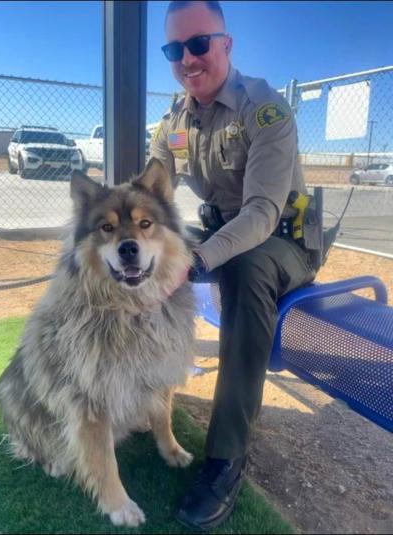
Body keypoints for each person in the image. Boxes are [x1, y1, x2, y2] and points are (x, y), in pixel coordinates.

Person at [150, 1, 319, 530]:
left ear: (226, 44)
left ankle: (226, 459)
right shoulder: (175, 119)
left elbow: (263, 213)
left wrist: (197, 258)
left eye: (199, 44)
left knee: (246, 274)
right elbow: (153, 192)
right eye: (175, 49)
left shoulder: (264, 109)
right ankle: (132, 390)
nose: (188, 59)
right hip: (222, 229)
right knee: (145, 256)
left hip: (281, 242)